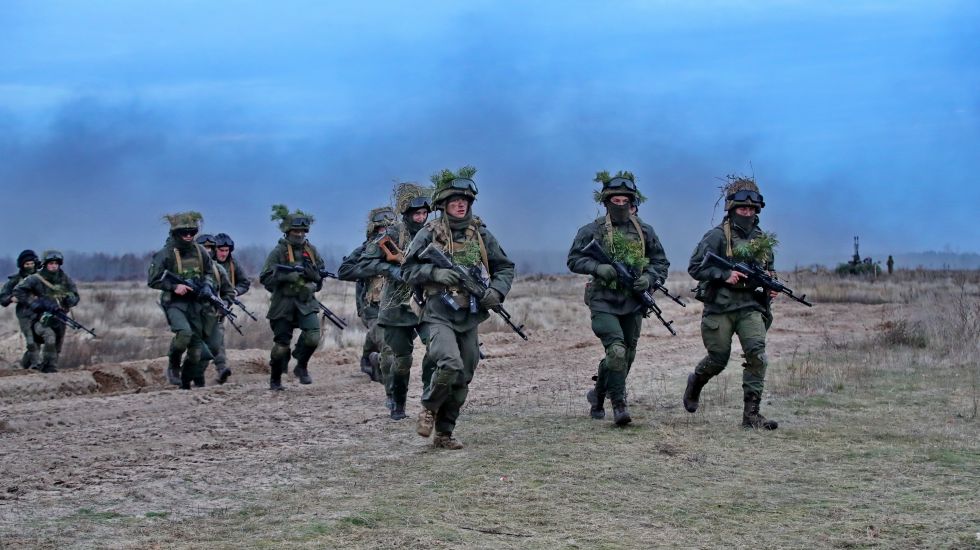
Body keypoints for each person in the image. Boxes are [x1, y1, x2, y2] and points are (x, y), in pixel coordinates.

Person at [402, 167, 515, 449]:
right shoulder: (428, 234)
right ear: (444, 205)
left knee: (464, 375)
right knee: (449, 364)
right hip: (437, 312)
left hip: (469, 315)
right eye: (454, 201)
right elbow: (407, 271)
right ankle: (429, 408)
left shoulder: (481, 234)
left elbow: (504, 267)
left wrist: (496, 291)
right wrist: (435, 273)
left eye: (464, 201)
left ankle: (444, 433)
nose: (460, 205)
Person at [566, 171, 670, 426]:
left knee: (627, 356)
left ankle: (598, 394)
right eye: (616, 200)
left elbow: (660, 262)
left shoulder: (644, 231)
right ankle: (619, 405)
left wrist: (649, 278)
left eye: (625, 200)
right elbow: (574, 259)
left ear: (632, 201)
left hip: (633, 301)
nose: (621, 204)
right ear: (606, 202)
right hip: (603, 300)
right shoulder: (592, 230)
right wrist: (597, 267)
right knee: (616, 350)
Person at [684, 176, 779, 430]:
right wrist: (723, 274)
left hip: (750, 306)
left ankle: (752, 415)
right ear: (732, 208)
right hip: (720, 307)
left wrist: (771, 284)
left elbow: (770, 269)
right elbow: (695, 267)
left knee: (757, 355)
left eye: (751, 209)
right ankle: (696, 382)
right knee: (718, 358)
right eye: (742, 208)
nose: (747, 213)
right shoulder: (716, 236)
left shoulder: (762, 241)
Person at [369, 182, 434, 419]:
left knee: (436, 350)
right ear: (406, 214)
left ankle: (430, 400)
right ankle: (398, 404)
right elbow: (366, 262)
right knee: (402, 360)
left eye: (424, 213)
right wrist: (394, 271)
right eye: (417, 214)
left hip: (427, 303)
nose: (421, 218)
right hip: (396, 307)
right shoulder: (393, 234)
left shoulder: (434, 233)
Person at [147, 212, 221, 388]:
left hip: (196, 304)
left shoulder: (200, 251)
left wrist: (207, 285)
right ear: (175, 233)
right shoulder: (165, 254)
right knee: (184, 334)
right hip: (175, 303)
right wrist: (174, 287)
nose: (188, 236)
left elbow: (209, 272)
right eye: (184, 232)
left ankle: (185, 382)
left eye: (192, 232)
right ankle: (173, 364)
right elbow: (153, 280)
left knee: (196, 351)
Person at [259, 204, 325, 390]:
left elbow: (320, 277)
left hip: (306, 301)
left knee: (313, 337)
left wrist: (314, 281)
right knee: (281, 346)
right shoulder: (278, 252)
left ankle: (301, 365)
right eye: (295, 231)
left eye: (302, 231)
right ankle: (275, 379)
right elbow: (265, 278)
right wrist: (287, 277)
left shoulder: (311, 251)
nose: (299, 234)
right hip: (283, 303)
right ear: (287, 231)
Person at [338, 207, 396, 382]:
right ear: (373, 230)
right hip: (372, 307)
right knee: (386, 344)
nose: (385, 232)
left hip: (396, 307)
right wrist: (373, 268)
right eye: (381, 228)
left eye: (390, 228)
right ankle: (389, 384)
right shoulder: (364, 250)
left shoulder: (401, 249)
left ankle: (370, 358)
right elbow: (344, 271)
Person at [13, 250, 80, 373]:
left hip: (60, 316)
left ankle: (49, 368)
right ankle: (44, 368)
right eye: (51, 263)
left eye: (56, 263)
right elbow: (18, 291)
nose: (54, 266)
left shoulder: (64, 279)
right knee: (48, 337)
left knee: (57, 344)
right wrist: (34, 304)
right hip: (40, 317)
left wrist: (69, 299)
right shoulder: (36, 278)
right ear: (45, 264)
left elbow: (75, 296)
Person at [208, 232, 251, 383]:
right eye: (221, 250)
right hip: (204, 304)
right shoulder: (206, 262)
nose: (224, 253)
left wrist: (234, 292)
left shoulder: (233, 264)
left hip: (222, 305)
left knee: (217, 335)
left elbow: (244, 282)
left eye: (227, 250)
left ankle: (221, 368)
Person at [193, 234, 235, 386]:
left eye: (210, 248)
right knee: (197, 348)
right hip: (193, 316)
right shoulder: (188, 269)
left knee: (215, 345)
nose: (208, 251)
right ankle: (189, 375)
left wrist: (224, 304)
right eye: (204, 248)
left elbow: (229, 292)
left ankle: (203, 374)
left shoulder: (218, 270)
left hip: (212, 315)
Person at [1, 250, 42, 369]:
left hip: (40, 312)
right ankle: (36, 365)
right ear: (22, 265)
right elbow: (2, 297)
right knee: (30, 340)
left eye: (32, 263)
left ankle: (24, 365)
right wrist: (11, 298)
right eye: (27, 264)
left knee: (38, 341)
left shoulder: (41, 278)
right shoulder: (15, 280)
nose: (30, 266)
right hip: (24, 314)